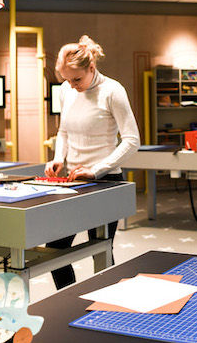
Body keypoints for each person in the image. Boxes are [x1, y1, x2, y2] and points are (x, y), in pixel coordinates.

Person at [44, 35, 140, 289]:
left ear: (91, 68)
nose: (72, 85)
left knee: (101, 251)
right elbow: (63, 132)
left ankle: (106, 311)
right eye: (66, 80)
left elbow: (132, 140)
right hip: (72, 182)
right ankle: (70, 299)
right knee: (55, 250)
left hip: (105, 182)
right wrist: (57, 158)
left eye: (77, 79)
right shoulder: (66, 90)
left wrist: (96, 170)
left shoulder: (112, 90)